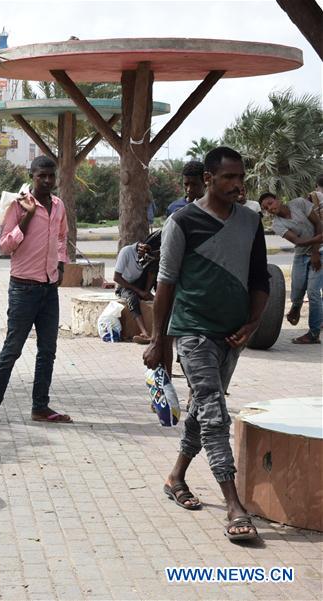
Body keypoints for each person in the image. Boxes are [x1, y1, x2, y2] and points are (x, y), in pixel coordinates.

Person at [143, 147, 269, 542]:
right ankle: (233, 505)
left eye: (240, 177)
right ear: (209, 179)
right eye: (229, 177)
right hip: (193, 330)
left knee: (201, 408)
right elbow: (165, 283)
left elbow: (260, 280)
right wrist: (158, 341)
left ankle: (176, 476)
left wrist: (251, 324)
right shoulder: (182, 221)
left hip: (233, 335)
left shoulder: (251, 221)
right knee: (215, 411)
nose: (238, 184)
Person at [0, 156, 71, 426]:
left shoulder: (59, 206)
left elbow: (62, 237)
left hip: (49, 289)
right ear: (32, 175)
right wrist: (27, 216)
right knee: (12, 349)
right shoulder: (18, 205)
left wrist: (60, 266)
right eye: (42, 176)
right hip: (23, 288)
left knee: (47, 350)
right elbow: (5, 246)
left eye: (52, 176)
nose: (48, 181)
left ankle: (40, 407)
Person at [260, 191, 322, 343]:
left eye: (269, 203)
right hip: (301, 255)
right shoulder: (277, 224)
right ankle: (296, 307)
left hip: (320, 251)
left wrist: (315, 251)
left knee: (313, 292)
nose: (269, 208)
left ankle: (313, 334)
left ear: (278, 199)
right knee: (296, 291)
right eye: (265, 208)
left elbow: (318, 223)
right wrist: (318, 239)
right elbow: (298, 241)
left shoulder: (299, 203)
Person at [114, 241, 156, 343]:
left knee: (155, 266)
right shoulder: (126, 252)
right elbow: (116, 277)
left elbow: (151, 271)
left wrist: (145, 292)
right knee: (132, 298)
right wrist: (139, 292)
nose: (143, 259)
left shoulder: (146, 256)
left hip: (139, 284)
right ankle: (145, 333)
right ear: (139, 249)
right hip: (124, 285)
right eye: (142, 255)